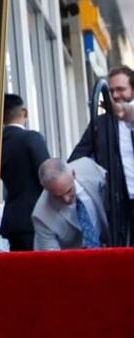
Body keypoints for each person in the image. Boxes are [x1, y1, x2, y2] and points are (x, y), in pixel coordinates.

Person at [69, 65, 134, 246]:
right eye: (111, 90)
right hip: (117, 200)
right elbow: (79, 154)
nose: (115, 95)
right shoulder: (101, 122)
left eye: (121, 89)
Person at [0, 93, 50, 251]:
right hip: (37, 216)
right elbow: (48, 175)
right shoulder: (31, 138)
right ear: (25, 112)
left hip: (13, 219)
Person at [32, 158, 108, 250]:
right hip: (74, 260)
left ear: (73, 174)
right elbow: (52, 260)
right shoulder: (41, 216)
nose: (66, 199)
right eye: (57, 196)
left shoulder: (90, 168)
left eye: (69, 191)